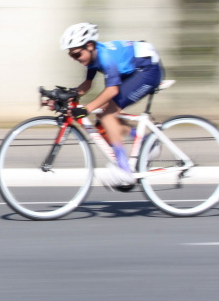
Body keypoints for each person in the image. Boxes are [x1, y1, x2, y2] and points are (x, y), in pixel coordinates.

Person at [59, 22, 163, 186]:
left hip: (148, 70)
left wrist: (85, 110)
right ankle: (146, 141)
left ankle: (124, 170)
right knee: (103, 116)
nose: (75, 59)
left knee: (107, 115)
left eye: (77, 55)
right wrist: (66, 96)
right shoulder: (92, 57)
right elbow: (87, 84)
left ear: (90, 46)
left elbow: (112, 90)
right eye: (71, 55)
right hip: (137, 68)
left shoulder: (105, 57)